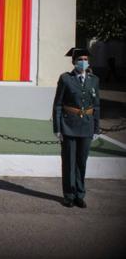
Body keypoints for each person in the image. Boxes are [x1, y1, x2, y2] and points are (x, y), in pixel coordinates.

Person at [53, 47, 100, 208]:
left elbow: (97, 105)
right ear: (74, 62)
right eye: (80, 59)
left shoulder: (94, 79)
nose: (83, 62)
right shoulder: (66, 79)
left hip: (86, 125)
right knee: (69, 162)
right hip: (69, 125)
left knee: (81, 162)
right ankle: (69, 195)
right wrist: (57, 128)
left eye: (86, 59)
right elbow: (58, 104)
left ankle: (80, 194)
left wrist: (96, 128)